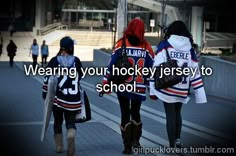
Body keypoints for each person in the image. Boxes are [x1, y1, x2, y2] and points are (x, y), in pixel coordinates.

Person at [149, 20, 207, 148]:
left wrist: (152, 89)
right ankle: (178, 140)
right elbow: (195, 72)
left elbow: (156, 68)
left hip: (167, 87)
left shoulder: (165, 45)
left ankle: (171, 145)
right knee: (177, 114)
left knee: (170, 115)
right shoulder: (190, 49)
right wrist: (200, 93)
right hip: (183, 89)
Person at [102, 18, 154, 154]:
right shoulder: (146, 47)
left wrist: (105, 83)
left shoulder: (121, 44)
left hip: (122, 86)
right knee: (135, 112)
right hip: (139, 87)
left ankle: (127, 146)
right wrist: (151, 89)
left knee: (124, 113)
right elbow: (151, 70)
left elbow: (111, 65)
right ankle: (136, 141)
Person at [42, 36, 83, 156]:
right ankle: (70, 136)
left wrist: (45, 94)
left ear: (61, 47)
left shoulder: (55, 61)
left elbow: (47, 80)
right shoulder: (77, 61)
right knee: (71, 123)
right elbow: (80, 77)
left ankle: (59, 146)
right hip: (73, 100)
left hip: (58, 100)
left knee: (58, 122)